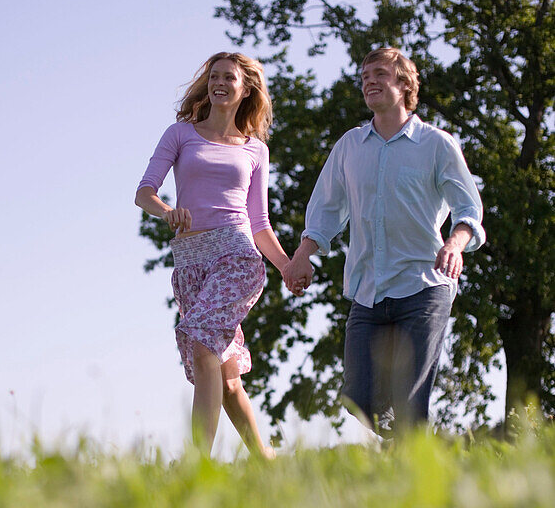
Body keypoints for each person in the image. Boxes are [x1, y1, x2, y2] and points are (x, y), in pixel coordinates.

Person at [284, 46, 485, 436]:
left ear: (405, 84)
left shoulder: (436, 144)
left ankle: (411, 463)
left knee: (411, 398)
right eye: (364, 77)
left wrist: (455, 244)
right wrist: (303, 255)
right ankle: (402, 443)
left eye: (379, 74)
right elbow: (325, 210)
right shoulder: (350, 147)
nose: (369, 81)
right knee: (357, 397)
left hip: (424, 286)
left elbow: (468, 211)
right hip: (368, 290)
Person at [136, 51, 292, 457]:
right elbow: (144, 192)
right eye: (214, 76)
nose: (220, 83)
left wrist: (288, 267)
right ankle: (266, 461)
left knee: (202, 343)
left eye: (229, 78)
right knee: (225, 378)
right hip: (190, 261)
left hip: (236, 254)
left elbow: (259, 223)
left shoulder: (255, 150)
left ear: (246, 89)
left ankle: (196, 467)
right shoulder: (180, 134)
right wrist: (168, 212)